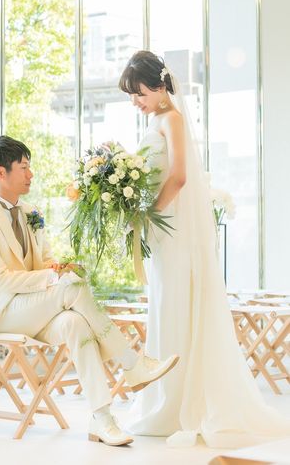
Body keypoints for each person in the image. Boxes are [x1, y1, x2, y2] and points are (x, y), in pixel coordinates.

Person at [119, 50, 290, 448]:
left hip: (173, 230)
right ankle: (163, 398)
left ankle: (176, 405)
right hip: (162, 233)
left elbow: (178, 177)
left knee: (176, 307)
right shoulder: (157, 120)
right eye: (131, 95)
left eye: (139, 93)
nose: (135, 101)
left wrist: (148, 214)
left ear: (160, 86)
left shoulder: (172, 119)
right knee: (164, 308)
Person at [0, 135, 179, 446]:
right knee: (73, 288)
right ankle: (132, 364)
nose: (30, 174)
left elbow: (44, 261)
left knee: (76, 324)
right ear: (0, 172)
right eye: (23, 168)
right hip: (1, 312)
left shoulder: (31, 212)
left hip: (34, 307)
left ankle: (102, 419)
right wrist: (53, 279)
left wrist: (60, 268)